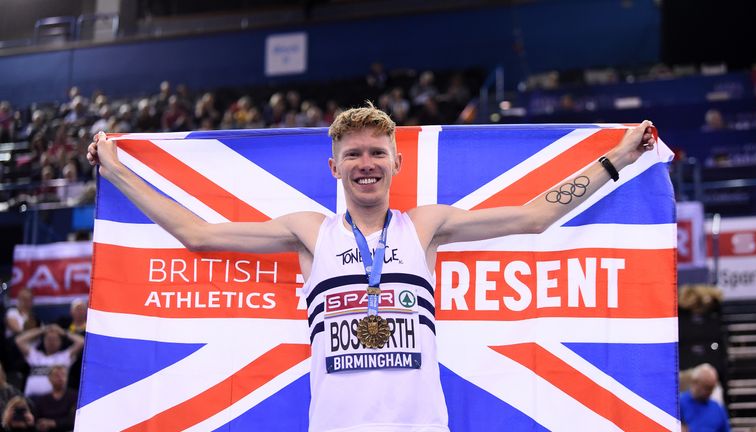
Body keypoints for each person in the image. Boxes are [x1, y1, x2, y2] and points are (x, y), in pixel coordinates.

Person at [88, 103, 656, 431]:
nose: (366, 164)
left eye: (377, 153)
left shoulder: (425, 227)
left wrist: (618, 159)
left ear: (396, 163)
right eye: (354, 155)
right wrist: (114, 171)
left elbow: (533, 217)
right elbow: (197, 236)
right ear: (334, 166)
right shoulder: (309, 232)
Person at [14, 326, 83, 397]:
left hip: (53, 400)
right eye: (49, 339)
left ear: (60, 342)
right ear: (44, 341)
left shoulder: (64, 356)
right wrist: (42, 330)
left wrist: (63, 332)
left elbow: (81, 342)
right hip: (31, 398)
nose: (51, 342)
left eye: (54, 339)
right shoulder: (35, 355)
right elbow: (19, 340)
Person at [680, 363, 731, 432]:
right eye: (706, 387)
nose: (709, 392)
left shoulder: (717, 408)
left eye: (712, 388)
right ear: (695, 382)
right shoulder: (679, 403)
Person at [29, 366, 76, 432]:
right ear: (49, 379)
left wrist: (54, 423)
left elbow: (74, 419)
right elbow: (36, 418)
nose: (60, 378)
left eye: (63, 375)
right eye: (57, 375)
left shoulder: (74, 396)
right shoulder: (42, 399)